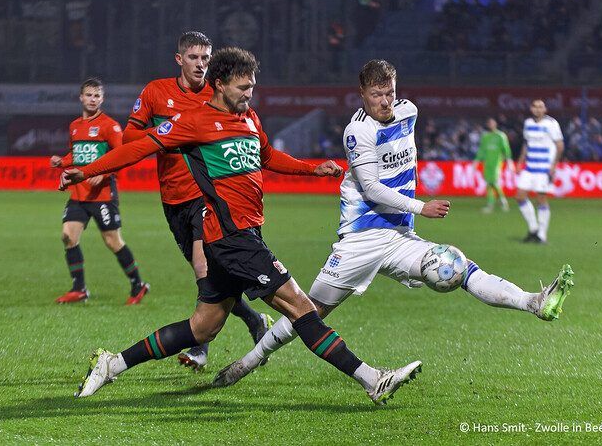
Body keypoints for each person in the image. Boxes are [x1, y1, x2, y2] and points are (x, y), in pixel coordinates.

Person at [61, 48, 422, 405]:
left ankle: (113, 363)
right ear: (219, 84)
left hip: (243, 235)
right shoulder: (194, 121)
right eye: (242, 88)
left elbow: (267, 157)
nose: (249, 94)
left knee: (203, 327)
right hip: (233, 239)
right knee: (301, 308)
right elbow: (139, 148)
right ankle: (371, 379)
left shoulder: (249, 118)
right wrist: (90, 170)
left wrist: (311, 168)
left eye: (252, 87)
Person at [212, 60, 574, 388]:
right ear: (362, 94)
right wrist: (421, 206)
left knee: (458, 266)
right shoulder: (358, 133)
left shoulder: (408, 112)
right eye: (376, 95)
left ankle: (533, 302)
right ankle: (249, 361)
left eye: (390, 93)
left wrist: (412, 215)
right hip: (361, 238)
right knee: (308, 310)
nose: (385, 102)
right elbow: (370, 187)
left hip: (399, 236)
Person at [123, 31, 272, 370]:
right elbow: (130, 136)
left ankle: (200, 346)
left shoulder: (218, 93)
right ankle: (253, 321)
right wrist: (167, 135)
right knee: (208, 274)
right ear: (179, 59)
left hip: (206, 195)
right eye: (194, 58)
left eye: (206, 58)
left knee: (205, 266)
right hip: (173, 198)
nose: (201, 65)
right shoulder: (155, 92)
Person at [50, 78, 148, 304]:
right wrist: (62, 162)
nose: (93, 99)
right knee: (68, 236)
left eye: (97, 96)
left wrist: (102, 174)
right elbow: (77, 155)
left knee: (113, 241)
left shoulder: (110, 126)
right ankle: (79, 288)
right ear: (81, 97)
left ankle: (138, 285)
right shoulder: (74, 126)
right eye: (89, 95)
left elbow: (122, 156)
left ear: (102, 99)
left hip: (103, 195)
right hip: (78, 193)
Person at [515, 99, 564, 243]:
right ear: (531, 109)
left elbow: (560, 145)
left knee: (541, 199)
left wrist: (553, 166)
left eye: (540, 106)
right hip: (529, 167)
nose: (537, 109)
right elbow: (526, 144)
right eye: (535, 106)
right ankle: (533, 228)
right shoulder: (528, 123)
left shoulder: (551, 124)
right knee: (519, 196)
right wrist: (520, 162)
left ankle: (542, 234)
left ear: (545, 109)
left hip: (544, 169)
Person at [473, 117, 514, 213]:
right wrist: (476, 161)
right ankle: (497, 203)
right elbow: (481, 150)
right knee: (489, 183)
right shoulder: (485, 136)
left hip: (496, 163)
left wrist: (509, 161)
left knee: (494, 182)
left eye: (492, 123)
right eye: (489, 123)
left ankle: (497, 203)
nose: (491, 125)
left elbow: (506, 149)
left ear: (495, 124)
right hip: (487, 163)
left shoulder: (500, 136)